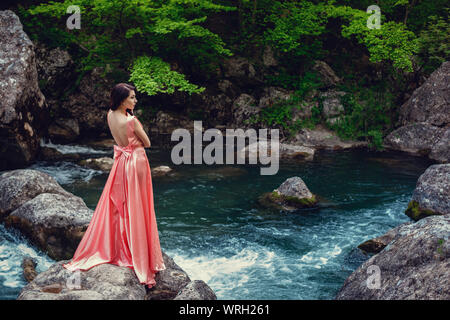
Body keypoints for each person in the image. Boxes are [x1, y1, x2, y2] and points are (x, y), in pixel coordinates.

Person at [63, 83, 166, 289]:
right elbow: (147, 143)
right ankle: (137, 253)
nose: (135, 101)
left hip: (121, 162)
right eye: (132, 98)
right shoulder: (131, 120)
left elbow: (121, 140)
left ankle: (120, 247)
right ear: (122, 100)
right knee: (138, 207)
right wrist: (138, 130)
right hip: (135, 161)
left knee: (120, 206)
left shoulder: (110, 115)